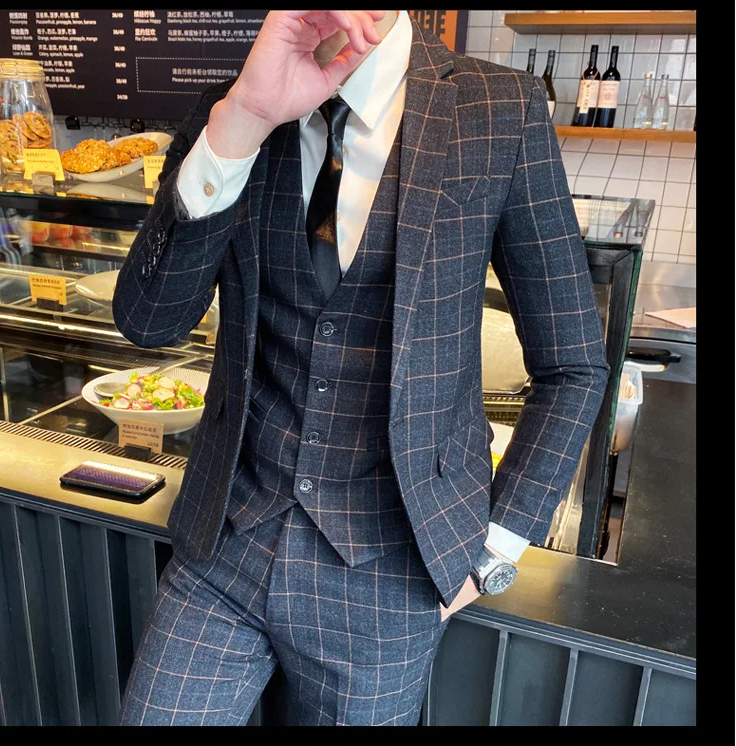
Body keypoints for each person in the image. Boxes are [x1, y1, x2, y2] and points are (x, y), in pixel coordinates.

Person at [113, 10, 609, 726]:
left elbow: (573, 364)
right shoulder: (231, 103)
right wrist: (243, 119)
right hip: (224, 545)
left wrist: (493, 551)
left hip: (390, 573)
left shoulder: (499, 109)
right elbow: (149, 321)